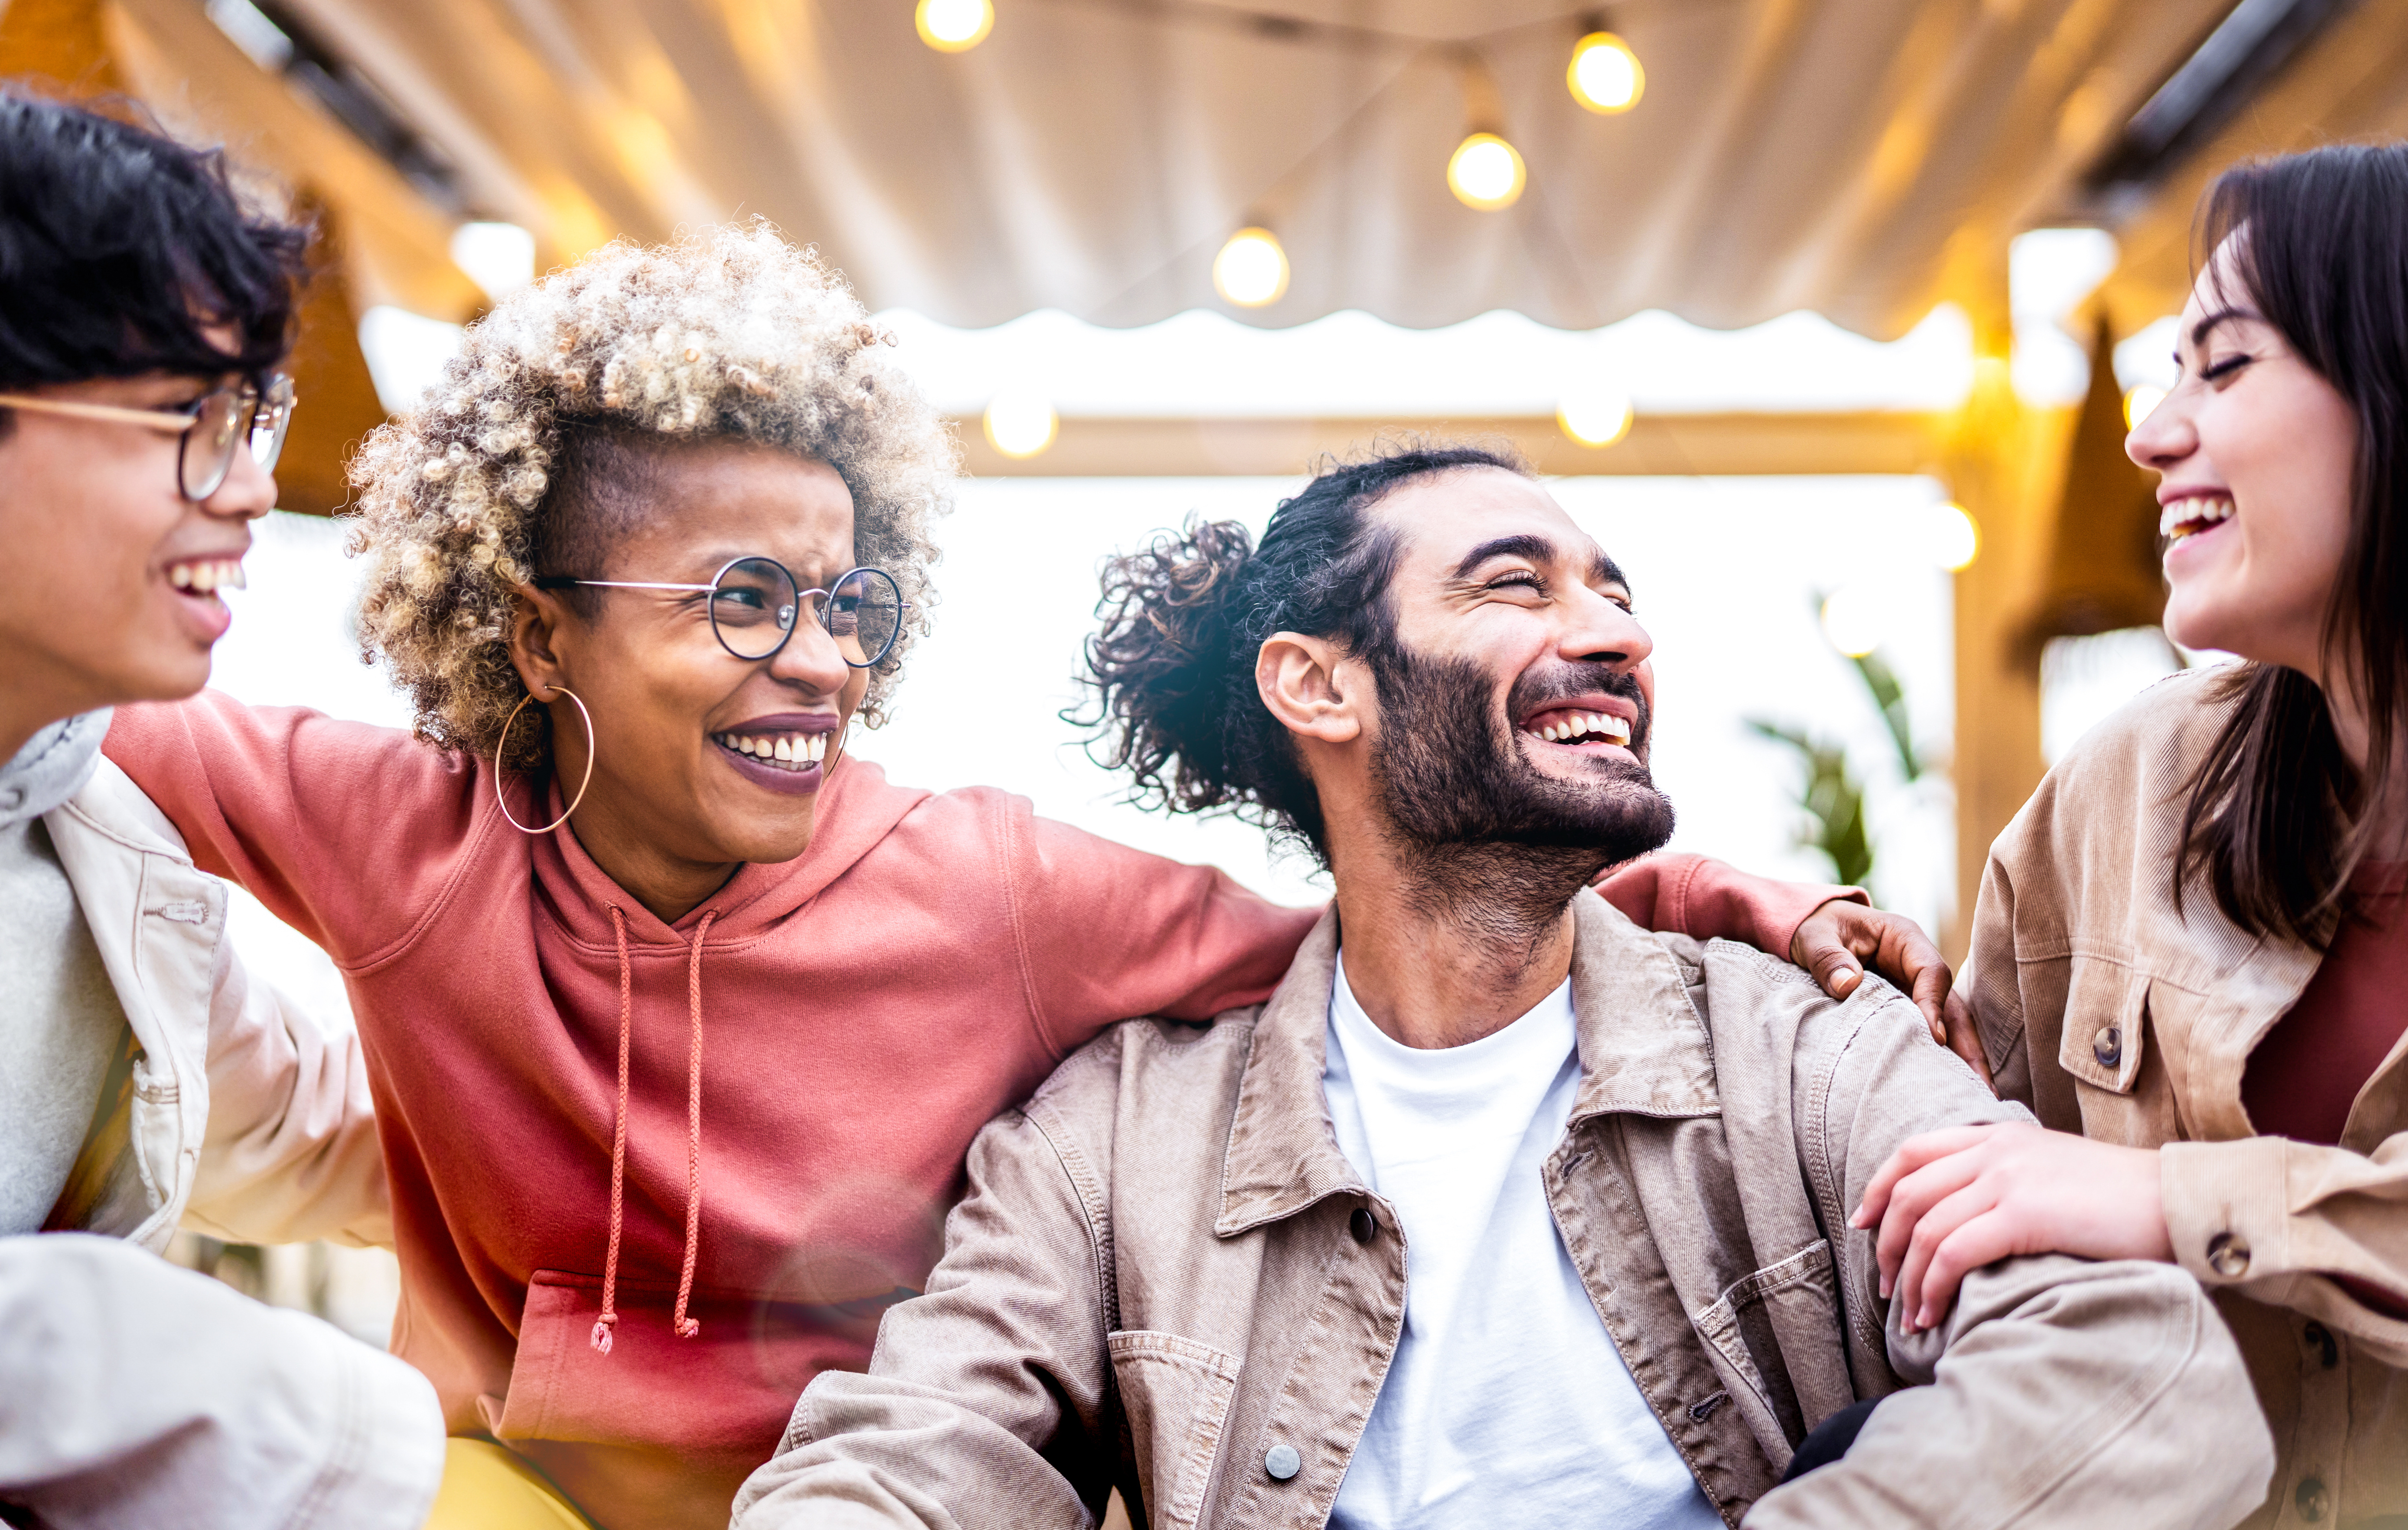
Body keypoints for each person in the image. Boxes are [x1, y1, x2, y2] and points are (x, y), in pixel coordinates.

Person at [101, 228, 1964, 1530]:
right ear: (535, 627)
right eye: (743, 600)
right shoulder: (398, 836)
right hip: (512, 1492)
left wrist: (1733, 897)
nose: (820, 659)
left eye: (851, 602)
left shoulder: (984, 889)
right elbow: (68, 696)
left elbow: (1385, 916)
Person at [729, 446, 2272, 1530]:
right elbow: (913, 1456)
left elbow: (2142, 1375)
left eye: (1611, 592)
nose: (1612, 634)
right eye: (1513, 586)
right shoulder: (1114, 1142)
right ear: (1314, 684)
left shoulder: (1808, 1055)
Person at [1853, 143, 2408, 1528]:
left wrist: (2163, 1199)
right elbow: (1966, 1138)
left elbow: (2092, 1191)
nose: (2149, 434)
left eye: (2221, 368)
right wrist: (1774, 930)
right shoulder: (2128, 791)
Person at [0, 89, 442, 1528]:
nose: (254, 486)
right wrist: (309, 1425)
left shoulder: (96, 842)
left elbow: (326, 1129)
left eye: (257, 410)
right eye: (191, 416)